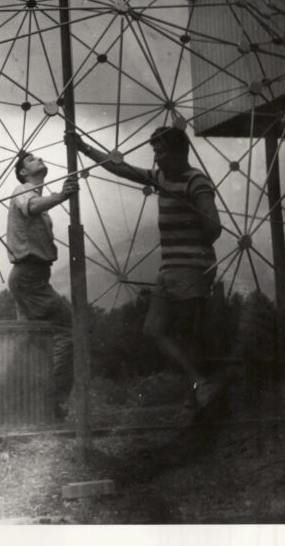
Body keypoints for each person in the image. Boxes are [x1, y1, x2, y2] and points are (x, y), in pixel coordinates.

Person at [74, 126, 222, 408]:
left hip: (192, 268)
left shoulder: (197, 182)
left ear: (180, 152)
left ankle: (201, 395)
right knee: (153, 329)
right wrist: (84, 148)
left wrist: (190, 235)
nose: (157, 159)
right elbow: (122, 169)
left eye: (161, 152)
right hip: (170, 269)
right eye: (155, 153)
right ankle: (200, 384)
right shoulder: (161, 178)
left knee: (190, 335)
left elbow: (214, 228)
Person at [7, 151, 77, 420]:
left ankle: (23, 404)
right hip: (30, 276)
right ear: (24, 172)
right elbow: (32, 206)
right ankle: (53, 404)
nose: (38, 159)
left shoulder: (33, 194)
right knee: (66, 330)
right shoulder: (22, 189)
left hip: (31, 276)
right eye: (31, 160)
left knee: (31, 343)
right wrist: (61, 196)